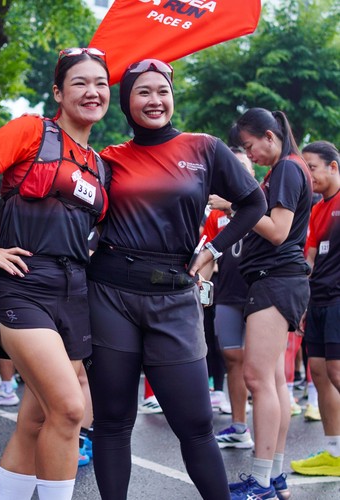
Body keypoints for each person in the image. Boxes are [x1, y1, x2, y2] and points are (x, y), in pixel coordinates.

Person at [85, 59, 266, 500]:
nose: (155, 100)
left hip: (175, 296)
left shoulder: (205, 148)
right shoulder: (107, 159)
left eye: (162, 91)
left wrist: (212, 250)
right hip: (111, 295)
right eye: (143, 92)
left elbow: (254, 204)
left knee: (196, 424)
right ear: (126, 101)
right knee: (112, 422)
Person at [0, 47, 110, 500]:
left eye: (100, 83)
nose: (92, 91)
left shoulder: (100, 165)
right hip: (23, 284)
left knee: (36, 418)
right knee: (70, 409)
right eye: (80, 82)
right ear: (58, 92)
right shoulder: (32, 131)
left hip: (74, 292)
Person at [228, 108, 313, 499]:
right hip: (280, 281)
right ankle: (273, 476)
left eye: (250, 147)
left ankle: (261, 482)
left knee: (258, 379)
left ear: (268, 136)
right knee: (273, 381)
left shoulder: (286, 169)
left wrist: (237, 208)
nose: (251, 154)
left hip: (276, 280)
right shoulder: (289, 167)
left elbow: (278, 231)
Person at [290, 140, 340, 477]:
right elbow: (308, 260)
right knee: (320, 374)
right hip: (317, 300)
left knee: (336, 371)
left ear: (333, 166)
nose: (308, 176)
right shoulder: (317, 209)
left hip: (338, 300)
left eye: (312, 168)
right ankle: (335, 455)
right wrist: (301, 302)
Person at [202, 148, 255, 449]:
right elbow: (208, 255)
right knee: (232, 359)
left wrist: (234, 206)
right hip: (227, 293)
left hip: (259, 293)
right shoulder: (215, 214)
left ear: (252, 171)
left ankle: (271, 447)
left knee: (261, 368)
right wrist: (200, 287)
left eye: (243, 165)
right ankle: (239, 427)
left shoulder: (263, 200)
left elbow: (275, 231)